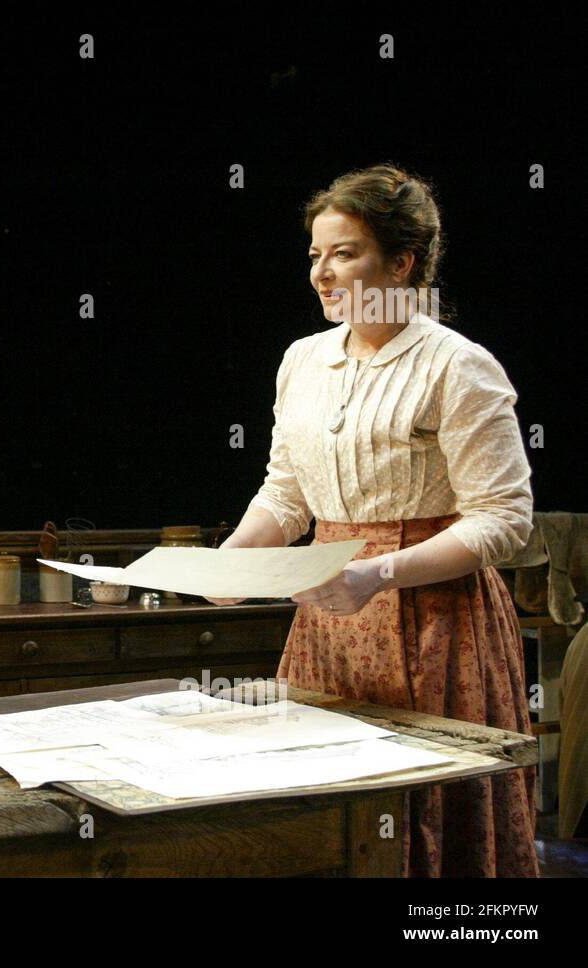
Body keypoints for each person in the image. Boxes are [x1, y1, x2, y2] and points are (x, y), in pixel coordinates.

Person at [209, 163, 539, 877]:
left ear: (402, 262)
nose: (322, 275)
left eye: (344, 254)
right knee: (329, 818)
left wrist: (378, 572)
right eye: (314, 256)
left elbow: (506, 519)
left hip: (435, 625)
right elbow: (287, 495)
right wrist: (234, 555)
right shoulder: (302, 361)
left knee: (422, 822)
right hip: (328, 621)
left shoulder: (458, 367)